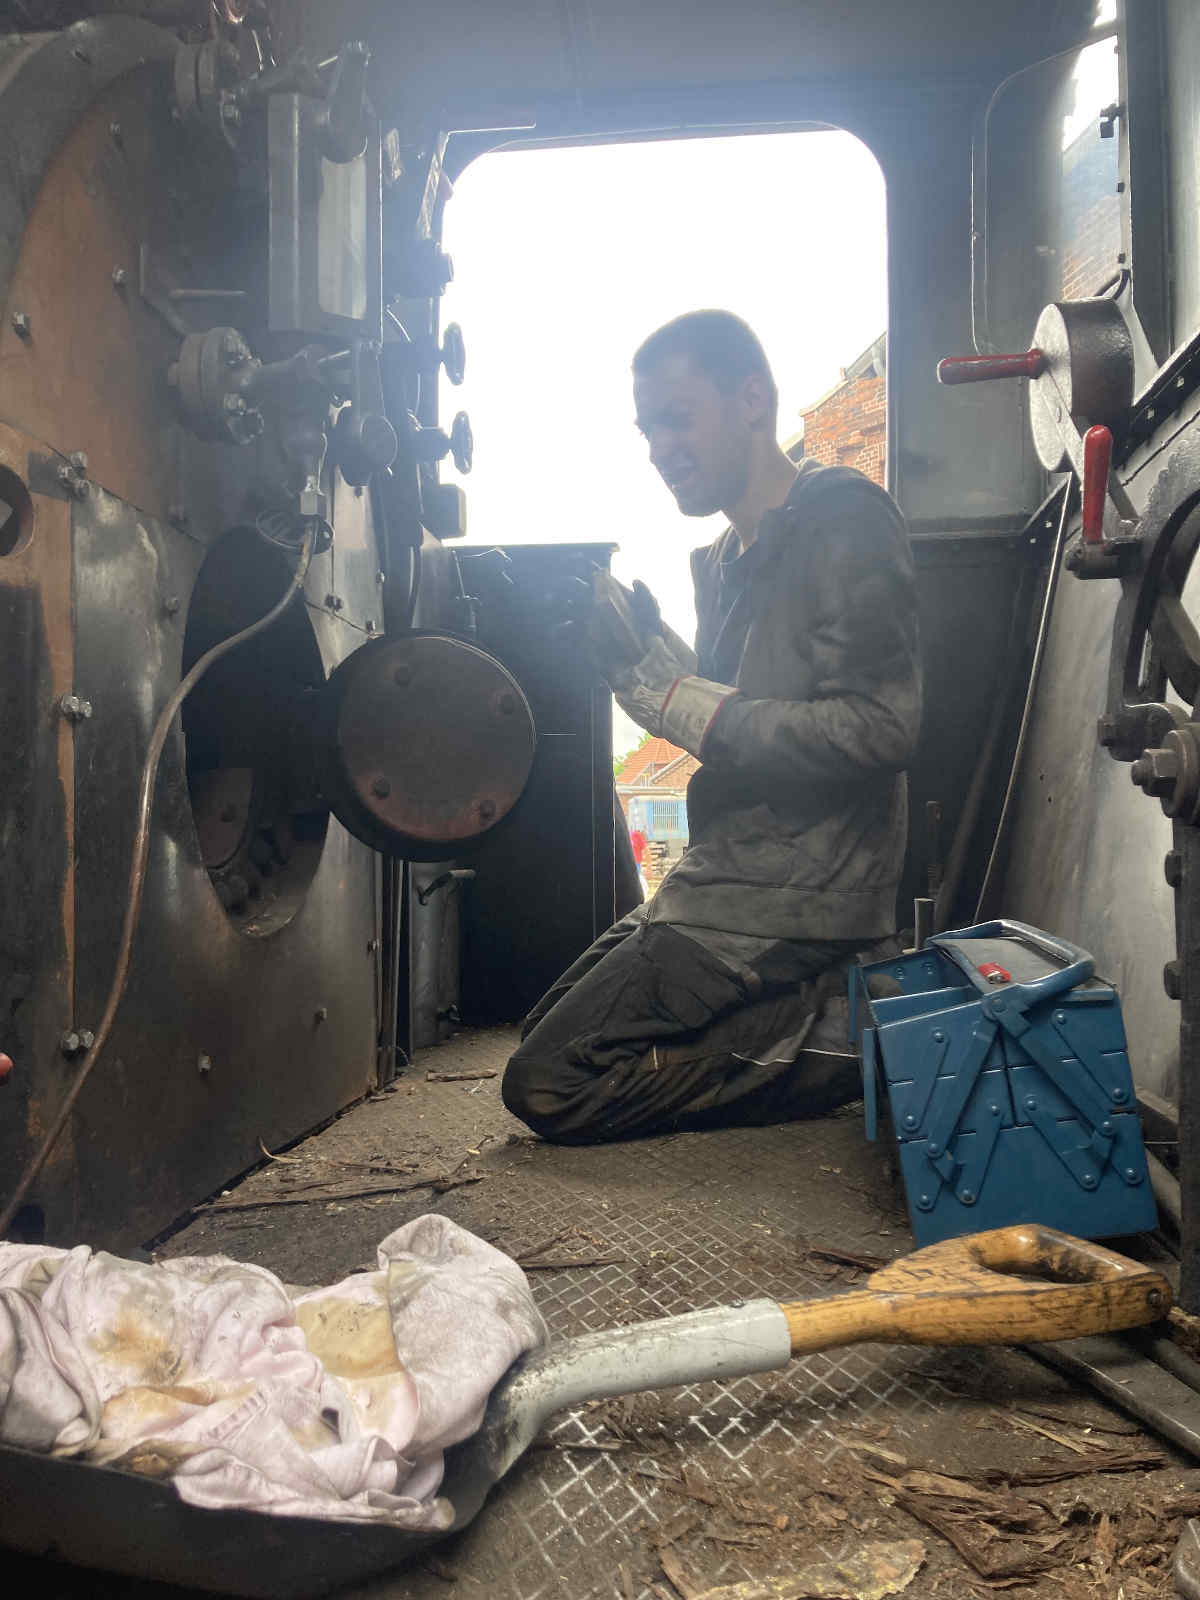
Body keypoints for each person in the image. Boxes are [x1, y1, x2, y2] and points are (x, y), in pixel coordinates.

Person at [502, 310, 921, 1144]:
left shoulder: (844, 517)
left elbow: (880, 728)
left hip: (798, 892)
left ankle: (866, 1035)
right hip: (730, 869)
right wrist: (651, 660)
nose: (659, 447)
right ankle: (823, 999)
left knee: (549, 1083)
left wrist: (676, 697)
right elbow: (746, 714)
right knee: (543, 1028)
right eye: (647, 429)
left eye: (678, 418)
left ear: (752, 399)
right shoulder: (723, 561)